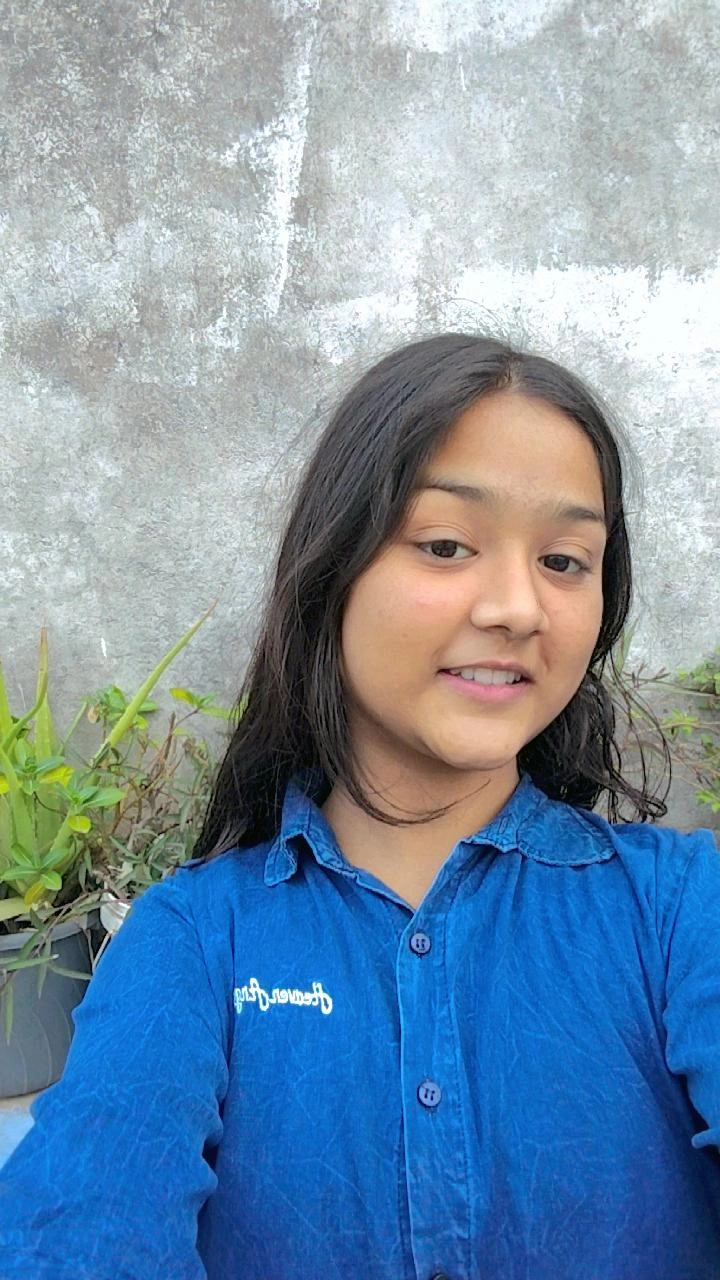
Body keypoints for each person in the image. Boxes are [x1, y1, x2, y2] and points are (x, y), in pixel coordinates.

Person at [0, 332, 718, 1280]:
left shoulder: (681, 910)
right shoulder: (196, 940)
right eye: (446, 545)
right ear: (332, 570)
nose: (519, 608)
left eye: (564, 560)